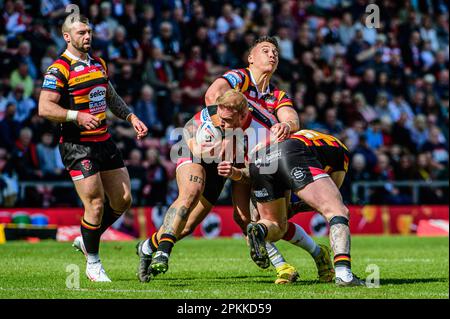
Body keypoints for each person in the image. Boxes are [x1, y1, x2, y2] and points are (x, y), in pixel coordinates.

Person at [204, 36, 333, 283]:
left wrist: (286, 124)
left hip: (269, 162)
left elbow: (293, 119)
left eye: (275, 51)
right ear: (251, 58)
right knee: (243, 218)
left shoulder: (276, 94)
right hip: (240, 160)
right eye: (265, 50)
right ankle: (284, 265)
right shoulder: (239, 79)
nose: (272, 54)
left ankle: (316, 254)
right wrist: (222, 133)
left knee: (276, 224)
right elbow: (213, 94)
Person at [38, 14, 148, 282]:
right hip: (77, 146)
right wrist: (76, 116)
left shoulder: (98, 63)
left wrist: (131, 117)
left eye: (89, 32)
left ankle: (87, 239)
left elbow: (109, 95)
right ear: (67, 37)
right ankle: (94, 263)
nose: (87, 37)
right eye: (81, 33)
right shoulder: (59, 69)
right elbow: (45, 107)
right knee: (95, 204)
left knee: (123, 200)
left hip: (103, 140)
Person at [247, 129, 366, 286]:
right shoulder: (340, 149)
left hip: (258, 159)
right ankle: (344, 275)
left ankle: (260, 230)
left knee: (276, 226)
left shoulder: (298, 137)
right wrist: (296, 208)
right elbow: (330, 195)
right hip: (291, 153)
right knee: (337, 210)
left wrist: (291, 207)